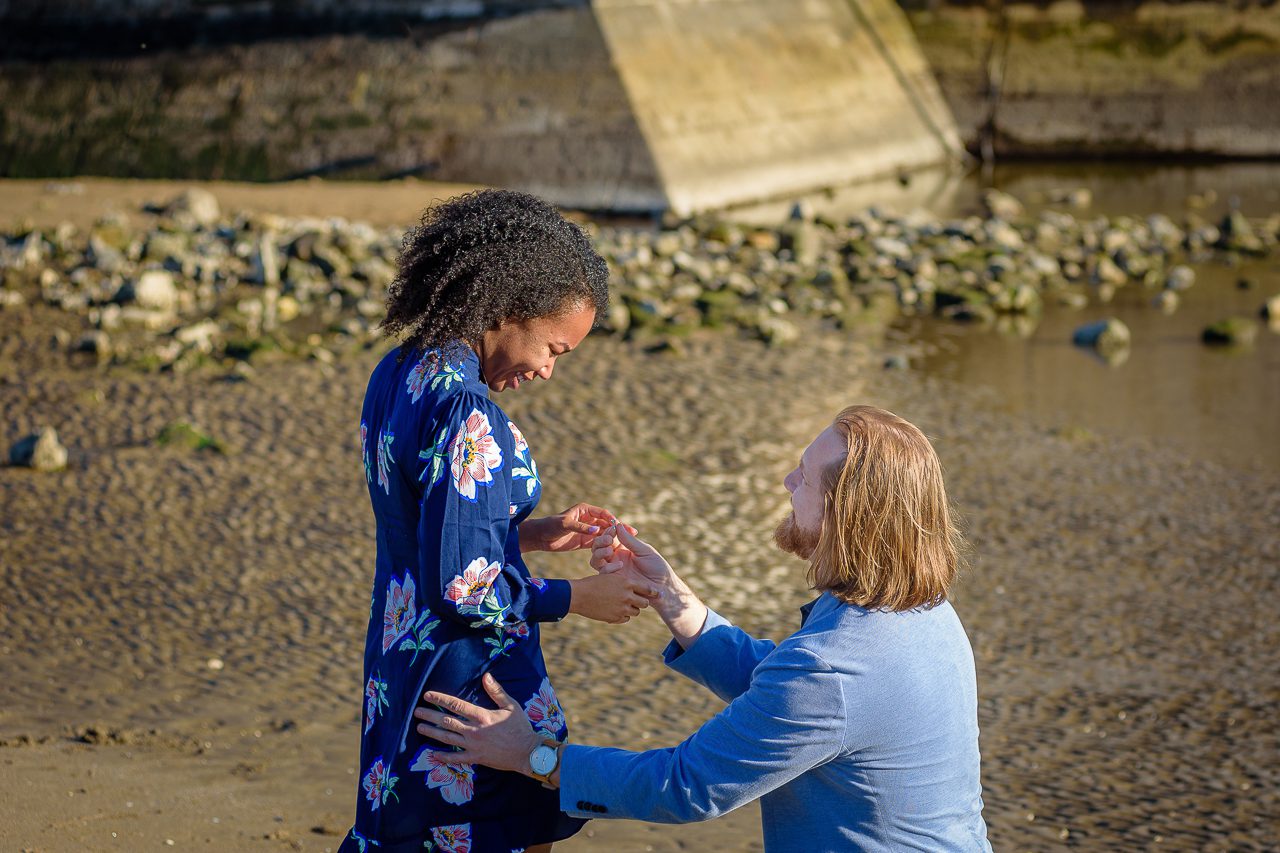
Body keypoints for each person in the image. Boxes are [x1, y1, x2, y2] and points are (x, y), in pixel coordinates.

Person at [410, 405, 992, 852]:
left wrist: (532, 755)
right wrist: (671, 597)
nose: (789, 481)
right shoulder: (923, 609)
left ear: (849, 513)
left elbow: (685, 786)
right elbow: (786, 694)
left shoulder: (834, 665)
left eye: (806, 478)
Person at [340, 190, 657, 853]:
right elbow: (465, 588)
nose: (546, 369)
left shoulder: (399, 370)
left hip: (403, 668)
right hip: (473, 690)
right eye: (553, 348)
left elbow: (428, 530)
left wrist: (533, 533)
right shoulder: (468, 412)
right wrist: (578, 597)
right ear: (509, 308)